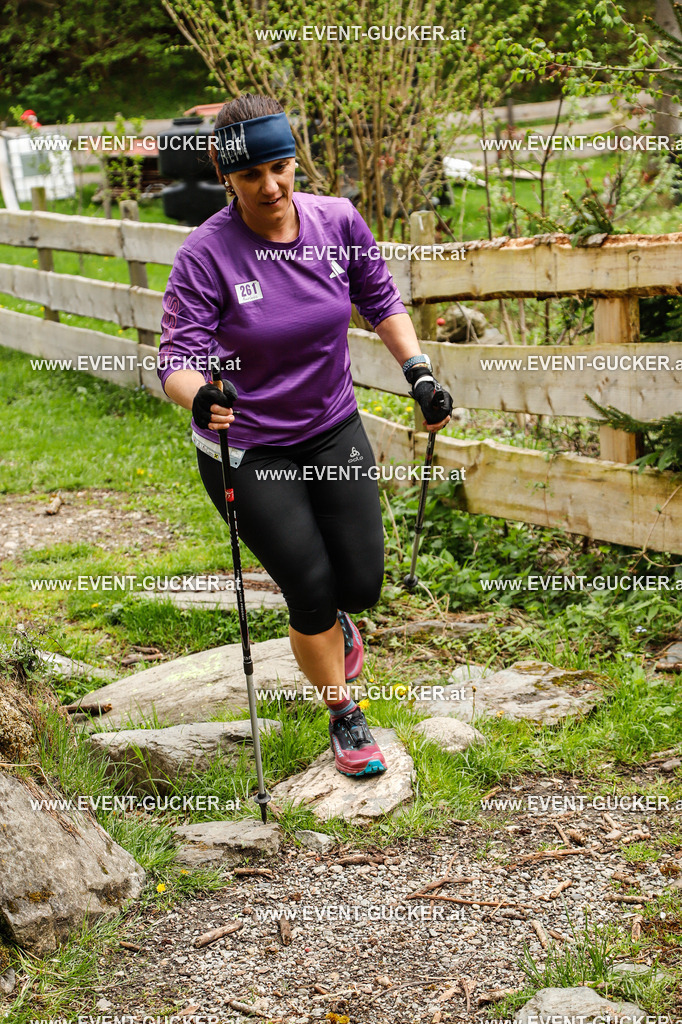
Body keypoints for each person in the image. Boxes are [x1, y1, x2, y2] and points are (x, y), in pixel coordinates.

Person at [158, 94, 453, 778]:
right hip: (251, 448)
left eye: (280, 168)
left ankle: (338, 625)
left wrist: (418, 374)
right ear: (224, 176)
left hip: (330, 426)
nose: (270, 187)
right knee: (311, 587)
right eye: (251, 175)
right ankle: (344, 714)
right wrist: (202, 396)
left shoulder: (336, 220)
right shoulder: (206, 255)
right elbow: (176, 359)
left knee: (362, 583)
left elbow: (379, 298)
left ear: (295, 161)